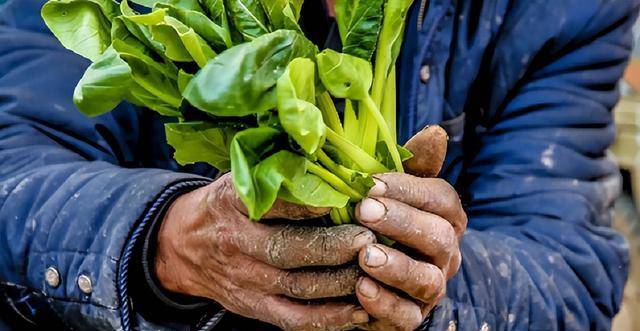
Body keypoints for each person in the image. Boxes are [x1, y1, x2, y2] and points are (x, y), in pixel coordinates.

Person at [0, 0, 638, 330]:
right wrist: (169, 240)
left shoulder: (565, 11)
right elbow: (15, 168)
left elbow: (563, 268)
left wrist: (418, 275)